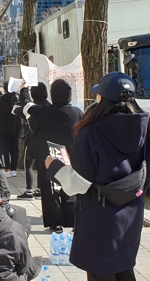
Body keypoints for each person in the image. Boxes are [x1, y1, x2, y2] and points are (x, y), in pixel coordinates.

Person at [45, 72, 148, 281]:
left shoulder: (90, 132)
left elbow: (78, 185)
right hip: (131, 215)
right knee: (124, 269)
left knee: (100, 273)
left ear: (101, 99)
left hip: (98, 217)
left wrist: (54, 167)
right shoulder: (145, 129)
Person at [21, 79, 82, 232]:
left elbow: (28, 106)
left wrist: (24, 90)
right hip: (70, 157)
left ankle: (55, 222)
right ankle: (71, 219)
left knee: (50, 190)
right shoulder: (77, 112)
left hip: (48, 158)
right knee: (69, 188)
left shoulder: (47, 112)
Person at [14, 83, 51, 200]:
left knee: (28, 165)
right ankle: (40, 190)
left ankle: (29, 191)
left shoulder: (32, 108)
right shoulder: (50, 107)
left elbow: (24, 104)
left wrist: (22, 90)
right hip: (47, 142)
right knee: (42, 166)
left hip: (33, 141)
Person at [0, 83, 21, 177]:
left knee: (4, 149)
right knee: (14, 149)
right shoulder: (17, 100)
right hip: (15, 128)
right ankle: (14, 170)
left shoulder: (1, 100)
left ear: (5, 89)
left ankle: (6, 170)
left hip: (3, 129)